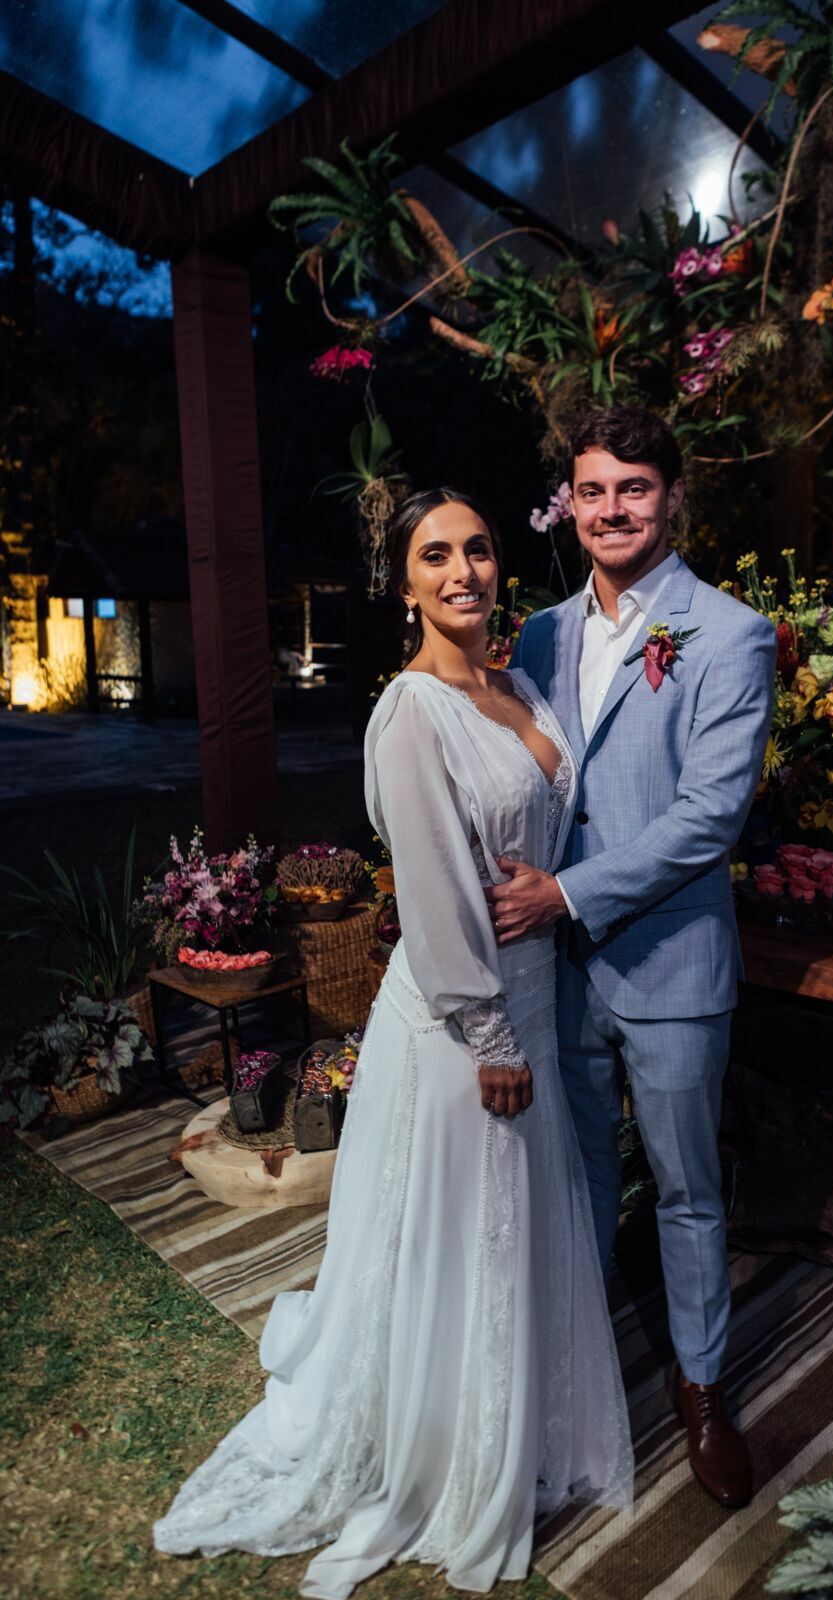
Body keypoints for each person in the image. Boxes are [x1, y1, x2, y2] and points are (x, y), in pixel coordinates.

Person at [153, 488, 632, 1598]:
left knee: (515, 1225)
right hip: (468, 1019)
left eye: (478, 549)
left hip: (532, 988)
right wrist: (491, 1035)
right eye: (435, 555)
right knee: (463, 1229)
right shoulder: (411, 712)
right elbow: (430, 890)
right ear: (403, 582)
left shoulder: (514, 685)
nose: (463, 571)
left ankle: (522, 1413)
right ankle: (443, 1437)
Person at [494, 407, 777, 1508]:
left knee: (685, 1190)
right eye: (592, 490)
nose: (611, 510)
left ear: (670, 497)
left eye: (633, 489)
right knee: (571, 1177)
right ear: (569, 503)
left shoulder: (729, 633)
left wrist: (565, 891)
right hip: (556, 969)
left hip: (671, 965)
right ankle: (579, 1365)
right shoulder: (538, 636)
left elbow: (710, 817)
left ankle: (702, 1387)